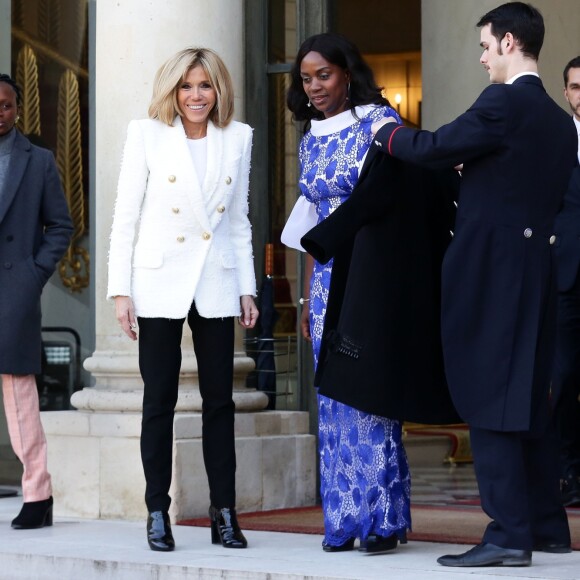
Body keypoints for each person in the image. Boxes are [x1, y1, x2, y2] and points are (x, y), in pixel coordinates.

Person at [371, 2, 578, 567]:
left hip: (491, 273)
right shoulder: (561, 123)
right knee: (529, 400)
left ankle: (508, 533)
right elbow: (523, 186)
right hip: (537, 270)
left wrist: (384, 130)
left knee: (488, 395)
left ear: (509, 42)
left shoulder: (502, 102)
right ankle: (546, 525)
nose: (483, 58)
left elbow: (434, 147)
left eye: (486, 46)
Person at [107, 47, 259, 552]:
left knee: (220, 402)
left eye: (205, 86)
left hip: (215, 281)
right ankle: (157, 511)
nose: (196, 95)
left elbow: (239, 220)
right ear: (172, 90)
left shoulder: (239, 138)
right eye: (187, 86)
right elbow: (125, 215)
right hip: (158, 282)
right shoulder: (146, 134)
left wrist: (247, 287)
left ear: (219, 90)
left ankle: (225, 511)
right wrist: (120, 289)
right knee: (159, 401)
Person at [285, 32, 413, 554]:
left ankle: (382, 519)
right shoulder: (311, 139)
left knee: (370, 394)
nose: (315, 87)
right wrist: (304, 297)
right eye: (306, 78)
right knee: (334, 397)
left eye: (325, 75)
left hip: (371, 279)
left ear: (347, 73)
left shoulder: (379, 125)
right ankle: (341, 519)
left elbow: (398, 203)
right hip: (326, 284)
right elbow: (313, 222)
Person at [0, 73, 73, 529]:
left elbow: (60, 226)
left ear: (17, 108)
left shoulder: (38, 160)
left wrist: (33, 273)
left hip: (12, 289)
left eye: (5, 104)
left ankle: (37, 494)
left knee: (18, 390)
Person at [552, 56, 580, 508]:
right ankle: (567, 473)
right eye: (576, 87)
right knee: (561, 376)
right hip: (564, 275)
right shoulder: (552, 141)